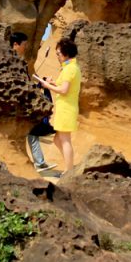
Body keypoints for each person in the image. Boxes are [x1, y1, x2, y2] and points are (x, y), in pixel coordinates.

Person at [11, 31, 57, 173]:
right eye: (24, 44)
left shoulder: (19, 61)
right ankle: (35, 163)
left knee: (33, 132)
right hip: (14, 105)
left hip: (21, 103)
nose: (25, 47)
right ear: (15, 45)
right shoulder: (11, 61)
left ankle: (40, 163)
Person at [34, 38, 81, 174]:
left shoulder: (69, 69)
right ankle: (69, 165)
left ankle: (69, 170)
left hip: (66, 109)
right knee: (57, 139)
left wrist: (47, 85)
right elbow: (64, 87)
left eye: (59, 54)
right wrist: (53, 83)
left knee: (65, 140)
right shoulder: (72, 67)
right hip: (65, 108)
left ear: (66, 54)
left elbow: (63, 90)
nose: (58, 57)